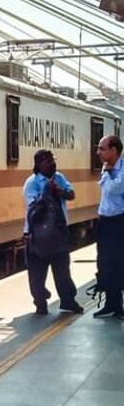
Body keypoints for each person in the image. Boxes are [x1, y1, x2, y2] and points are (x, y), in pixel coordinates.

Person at [22, 149, 83, 316]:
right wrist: (47, 192)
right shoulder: (31, 183)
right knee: (37, 274)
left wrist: (60, 191)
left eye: (53, 160)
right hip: (36, 236)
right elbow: (34, 208)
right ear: (39, 164)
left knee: (63, 271)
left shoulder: (59, 178)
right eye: (48, 161)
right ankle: (40, 303)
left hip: (58, 233)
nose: (53, 163)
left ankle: (68, 300)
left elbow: (71, 194)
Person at [94, 135, 124, 318]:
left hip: (120, 222)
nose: (98, 152)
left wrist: (105, 173)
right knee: (105, 264)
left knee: (120, 263)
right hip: (105, 222)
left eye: (102, 148)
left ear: (114, 150)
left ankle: (119, 305)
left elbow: (114, 188)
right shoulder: (108, 168)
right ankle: (111, 303)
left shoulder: (118, 170)